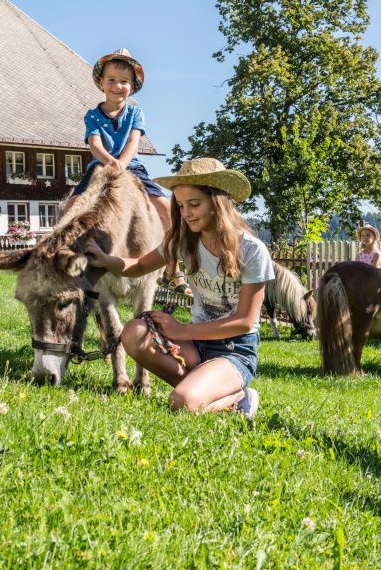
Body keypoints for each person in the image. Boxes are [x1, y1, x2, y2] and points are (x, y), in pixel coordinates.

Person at [84, 158, 274, 418]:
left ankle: (239, 397)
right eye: (181, 206)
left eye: (194, 204)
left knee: (181, 403)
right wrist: (106, 260)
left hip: (234, 350)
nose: (186, 213)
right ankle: (204, 388)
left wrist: (181, 329)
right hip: (194, 345)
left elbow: (244, 321)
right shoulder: (183, 241)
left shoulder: (252, 251)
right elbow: (140, 265)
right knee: (133, 332)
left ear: (218, 203)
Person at [63, 49, 190, 295]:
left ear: (132, 87)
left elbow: (133, 142)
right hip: (100, 166)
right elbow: (94, 144)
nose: (117, 86)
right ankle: (74, 264)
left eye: (124, 81)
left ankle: (173, 267)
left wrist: (122, 163)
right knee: (71, 207)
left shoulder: (135, 113)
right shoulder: (92, 115)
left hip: (132, 166)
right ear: (101, 83)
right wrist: (110, 162)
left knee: (166, 207)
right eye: (111, 80)